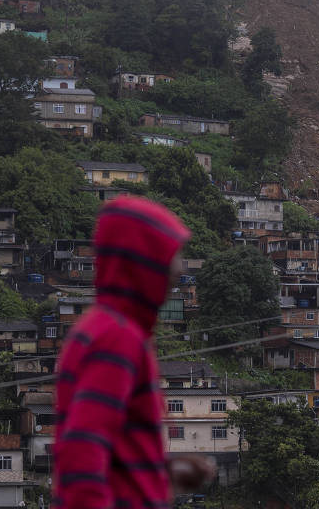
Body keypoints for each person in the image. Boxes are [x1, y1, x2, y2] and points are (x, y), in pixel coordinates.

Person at [53, 196, 215, 508]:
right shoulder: (117, 338)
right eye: (169, 257)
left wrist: (161, 473)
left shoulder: (98, 328)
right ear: (142, 264)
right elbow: (81, 450)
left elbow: (112, 456)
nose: (180, 270)